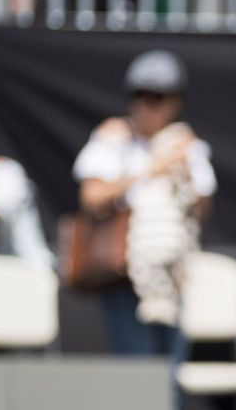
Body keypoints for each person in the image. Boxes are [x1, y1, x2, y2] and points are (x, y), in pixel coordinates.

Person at [73, 50, 215, 358]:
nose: (148, 106)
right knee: (137, 370)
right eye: (140, 96)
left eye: (158, 97)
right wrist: (151, 169)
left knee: (169, 378)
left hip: (171, 272)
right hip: (124, 274)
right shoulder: (112, 139)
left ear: (175, 101)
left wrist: (185, 175)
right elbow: (91, 198)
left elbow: (201, 213)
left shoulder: (186, 145)